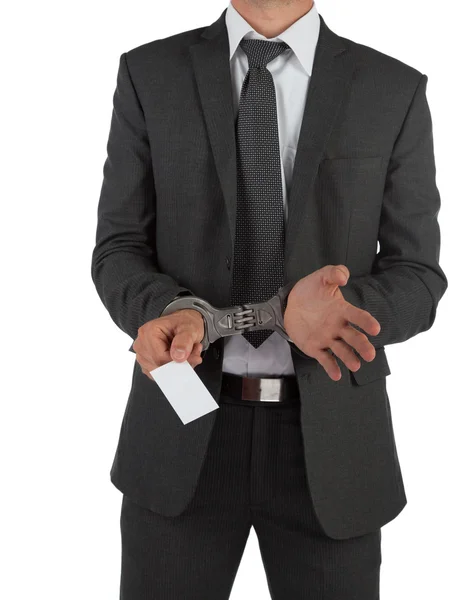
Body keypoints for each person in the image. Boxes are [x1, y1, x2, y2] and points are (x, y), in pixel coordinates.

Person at [91, 1, 447, 597]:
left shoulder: (393, 88)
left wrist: (342, 310)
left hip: (332, 444)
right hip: (182, 428)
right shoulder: (149, 73)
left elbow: (418, 277)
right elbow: (118, 248)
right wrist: (165, 308)